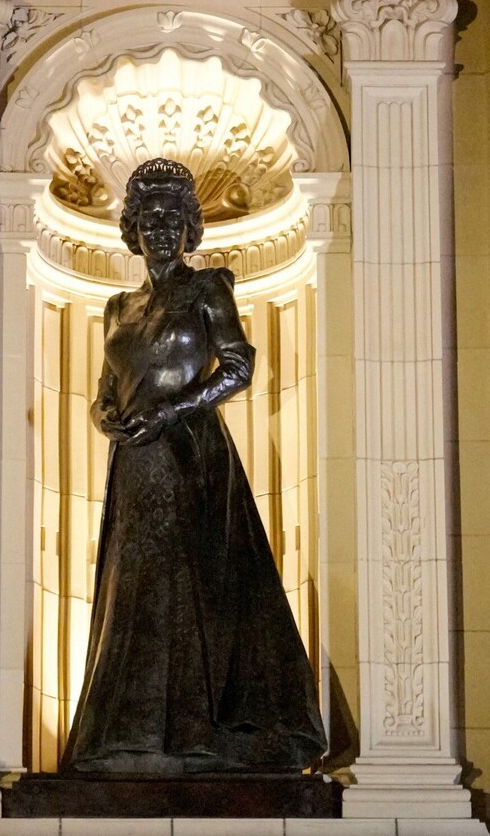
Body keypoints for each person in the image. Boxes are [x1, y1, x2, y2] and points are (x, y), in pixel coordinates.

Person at [60, 158, 327, 773]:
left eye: (171, 219)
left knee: (188, 581)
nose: (159, 229)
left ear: (188, 228)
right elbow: (107, 385)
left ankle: (193, 735)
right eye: (148, 219)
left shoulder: (208, 290)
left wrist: (172, 411)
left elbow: (237, 367)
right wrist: (106, 417)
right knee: (134, 586)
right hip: (135, 460)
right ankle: (130, 734)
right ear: (131, 229)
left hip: (189, 455)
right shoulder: (118, 305)